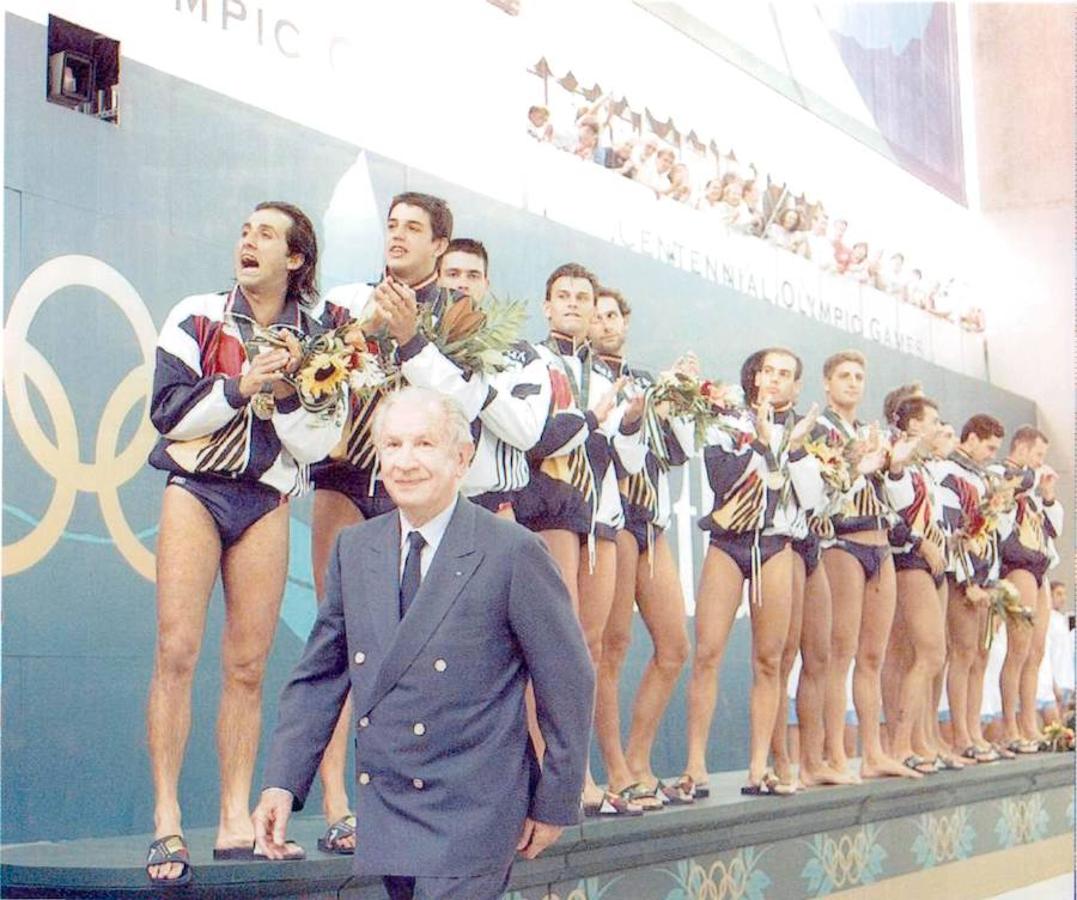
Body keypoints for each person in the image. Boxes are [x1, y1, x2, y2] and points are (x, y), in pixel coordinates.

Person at [253, 387, 595, 900]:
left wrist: (555, 799)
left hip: (477, 808)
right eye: (392, 446)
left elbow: (567, 680)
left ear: (461, 458)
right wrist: (283, 781)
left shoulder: (513, 551)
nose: (406, 462)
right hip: (389, 806)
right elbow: (320, 677)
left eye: (424, 444)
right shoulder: (355, 548)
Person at [144, 202, 345, 884]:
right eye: (243, 230)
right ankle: (167, 819)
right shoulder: (196, 314)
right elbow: (167, 413)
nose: (247, 240)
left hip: (265, 500)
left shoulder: (318, 340)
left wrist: (287, 391)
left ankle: (234, 817)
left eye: (266, 233)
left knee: (248, 667)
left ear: (295, 259)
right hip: (195, 490)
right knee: (176, 651)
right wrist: (240, 387)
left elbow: (319, 443)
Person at [306, 191, 466, 853]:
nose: (397, 236)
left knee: (421, 653)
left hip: (421, 498)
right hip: (346, 481)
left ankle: (408, 797)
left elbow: (463, 401)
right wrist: (352, 336)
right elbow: (311, 382)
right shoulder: (346, 300)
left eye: (412, 229)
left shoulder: (461, 315)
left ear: (439, 246)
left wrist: (411, 339)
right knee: (341, 643)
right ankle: (339, 803)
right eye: (391, 225)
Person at [683, 348, 819, 797]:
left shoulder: (807, 433)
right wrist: (762, 442)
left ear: (797, 386)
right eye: (768, 372)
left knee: (769, 659)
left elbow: (813, 499)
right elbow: (720, 480)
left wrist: (789, 448)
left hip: (775, 545)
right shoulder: (729, 420)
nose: (775, 380)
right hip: (728, 542)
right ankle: (695, 764)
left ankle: (759, 766)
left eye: (785, 374)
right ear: (755, 378)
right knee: (706, 652)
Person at [588, 288, 694, 809]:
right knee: (613, 647)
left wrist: (682, 401)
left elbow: (676, 454)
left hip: (652, 521)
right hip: (611, 519)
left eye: (613, 314)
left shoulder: (650, 382)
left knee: (674, 648)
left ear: (626, 321)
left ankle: (638, 757)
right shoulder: (580, 376)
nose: (605, 323)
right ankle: (614, 768)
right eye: (597, 314)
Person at [816, 351, 914, 780]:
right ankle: (836, 753)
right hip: (844, 542)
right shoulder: (818, 430)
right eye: (844, 376)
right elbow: (822, 493)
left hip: (881, 545)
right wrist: (859, 464)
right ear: (826, 382)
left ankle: (873, 752)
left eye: (859, 376)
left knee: (872, 656)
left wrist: (894, 468)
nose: (853, 383)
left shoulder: (870, 432)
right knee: (841, 654)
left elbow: (900, 502)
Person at [880, 396, 948, 774]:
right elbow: (892, 513)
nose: (938, 428)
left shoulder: (927, 467)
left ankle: (917, 738)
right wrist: (920, 543)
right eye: (933, 421)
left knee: (914, 656)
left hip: (929, 561)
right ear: (914, 425)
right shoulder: (897, 457)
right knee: (930, 653)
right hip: (908, 558)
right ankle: (900, 741)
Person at [935, 414, 1007, 763]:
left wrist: (992, 577)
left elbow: (990, 531)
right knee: (962, 654)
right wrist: (967, 581)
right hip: (962, 576)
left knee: (980, 655)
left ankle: (974, 730)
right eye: (989, 447)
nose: (993, 454)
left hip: (985, 573)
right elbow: (955, 533)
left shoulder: (984, 477)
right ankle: (960, 734)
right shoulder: (951, 474)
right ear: (972, 438)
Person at [989, 426, 1062, 752]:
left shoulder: (1033, 487)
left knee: (1036, 651)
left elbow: (1052, 529)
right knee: (1017, 650)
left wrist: (1047, 497)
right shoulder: (1001, 473)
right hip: (1016, 564)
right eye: (1037, 455)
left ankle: (1030, 722)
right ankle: (1010, 724)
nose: (1040, 463)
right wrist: (1032, 480)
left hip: (1039, 565)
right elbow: (1002, 502)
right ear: (1020, 447)